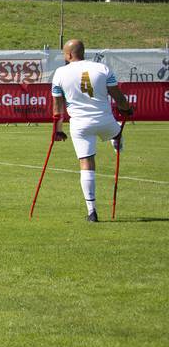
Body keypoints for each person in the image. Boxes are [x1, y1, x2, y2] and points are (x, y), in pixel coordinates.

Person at [51, 39, 133, 222]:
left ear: (69, 55)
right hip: (105, 120)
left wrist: (58, 130)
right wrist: (127, 109)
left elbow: (57, 108)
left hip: (80, 125)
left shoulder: (60, 73)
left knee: (86, 163)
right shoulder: (102, 68)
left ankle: (92, 211)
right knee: (117, 131)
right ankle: (116, 137)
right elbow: (117, 96)